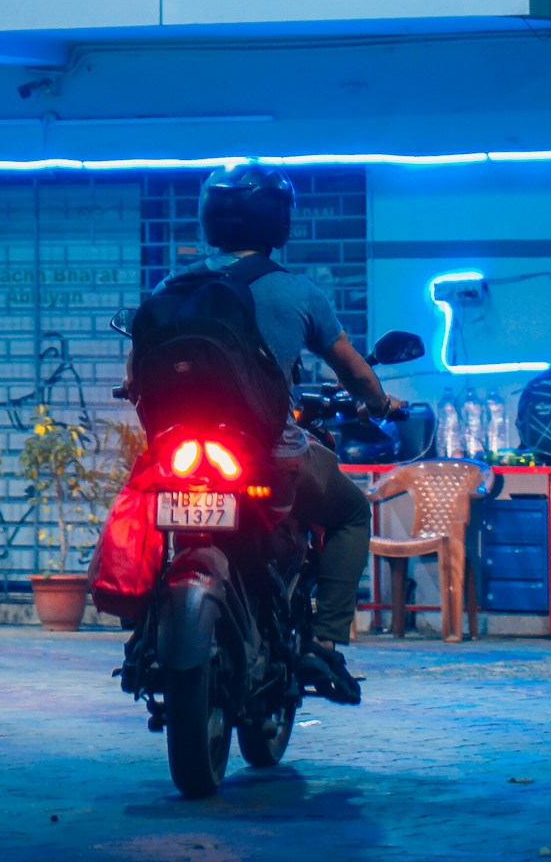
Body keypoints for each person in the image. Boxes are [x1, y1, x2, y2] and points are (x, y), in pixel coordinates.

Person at [191, 162, 404, 705]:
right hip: (266, 453)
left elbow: (134, 374)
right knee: (354, 511)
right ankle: (327, 642)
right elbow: (353, 370)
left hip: (182, 454)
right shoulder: (296, 293)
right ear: (278, 223)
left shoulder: (174, 286)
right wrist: (380, 402)